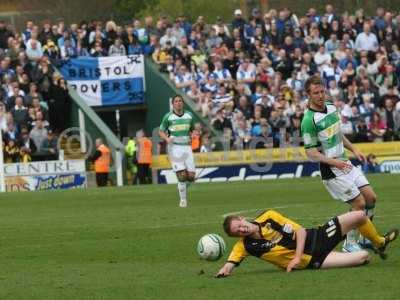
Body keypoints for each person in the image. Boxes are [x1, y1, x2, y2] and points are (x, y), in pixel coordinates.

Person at [300, 75, 379, 253]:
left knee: (371, 198)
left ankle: (367, 236)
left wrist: (354, 149)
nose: (320, 95)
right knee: (359, 203)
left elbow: (338, 134)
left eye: (322, 91)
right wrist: (334, 161)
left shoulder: (330, 107)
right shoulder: (308, 121)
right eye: (316, 93)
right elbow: (311, 152)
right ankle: (349, 243)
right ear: (308, 94)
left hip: (345, 163)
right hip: (331, 169)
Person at [216, 209, 398, 277]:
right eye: (237, 231)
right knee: (363, 257)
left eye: (240, 225)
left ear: (242, 218)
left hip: (316, 236)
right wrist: (225, 271)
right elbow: (230, 264)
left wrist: (295, 258)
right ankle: (357, 252)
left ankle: (380, 242)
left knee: (359, 215)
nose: (242, 229)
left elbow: (300, 232)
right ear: (236, 236)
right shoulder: (244, 246)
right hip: (313, 260)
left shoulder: (268, 217)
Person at [159, 95, 196, 207]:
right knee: (182, 175)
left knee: (191, 176)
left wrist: (193, 134)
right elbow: (161, 131)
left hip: (187, 147)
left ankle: (181, 185)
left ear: (183, 103)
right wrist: (166, 139)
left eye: (180, 101)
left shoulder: (189, 115)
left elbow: (192, 129)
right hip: (174, 148)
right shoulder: (168, 117)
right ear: (173, 104)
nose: (178, 103)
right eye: (176, 101)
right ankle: (183, 200)